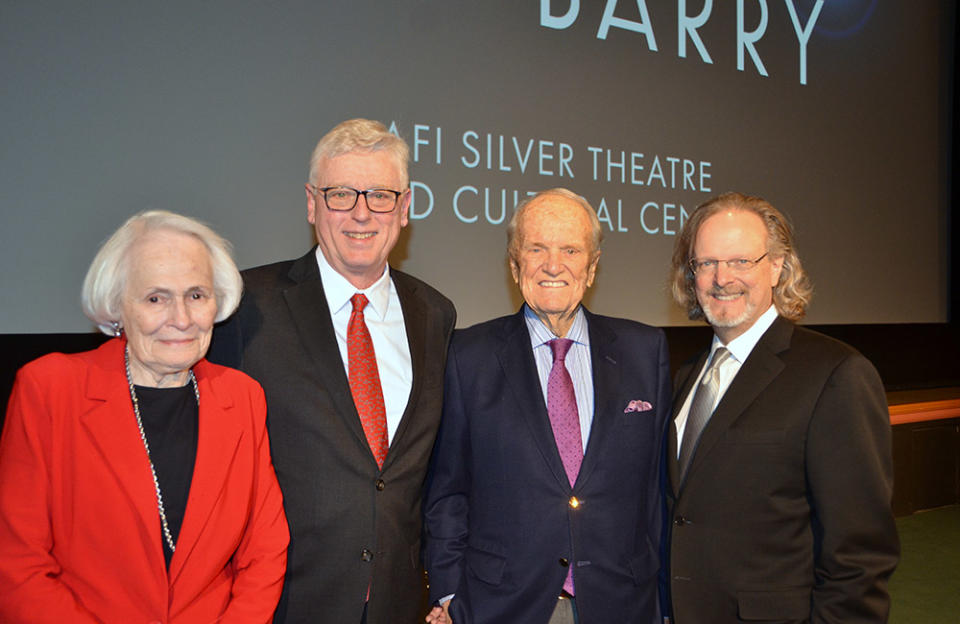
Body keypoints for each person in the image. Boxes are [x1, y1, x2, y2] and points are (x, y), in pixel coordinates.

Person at [208, 118, 456, 624]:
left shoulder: (436, 314)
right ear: (310, 203)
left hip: (399, 603)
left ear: (405, 207)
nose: (361, 213)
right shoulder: (244, 306)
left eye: (381, 195)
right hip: (283, 603)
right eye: (341, 194)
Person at [0, 210, 289, 623]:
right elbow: (16, 565)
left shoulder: (241, 397)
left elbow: (265, 550)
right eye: (156, 298)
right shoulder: (49, 390)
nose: (182, 319)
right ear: (117, 306)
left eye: (196, 295)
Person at [423, 188, 669, 624]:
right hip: (502, 605)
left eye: (570, 250)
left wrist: (665, 602)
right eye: (537, 248)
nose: (553, 265)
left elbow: (656, 491)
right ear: (515, 263)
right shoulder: (467, 355)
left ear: (591, 267)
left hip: (622, 603)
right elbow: (447, 490)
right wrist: (447, 593)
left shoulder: (644, 350)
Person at [664, 192, 899, 623]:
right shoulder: (687, 376)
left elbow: (860, 558)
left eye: (741, 261)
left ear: (776, 266)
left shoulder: (836, 374)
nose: (722, 278)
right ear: (691, 274)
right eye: (706, 263)